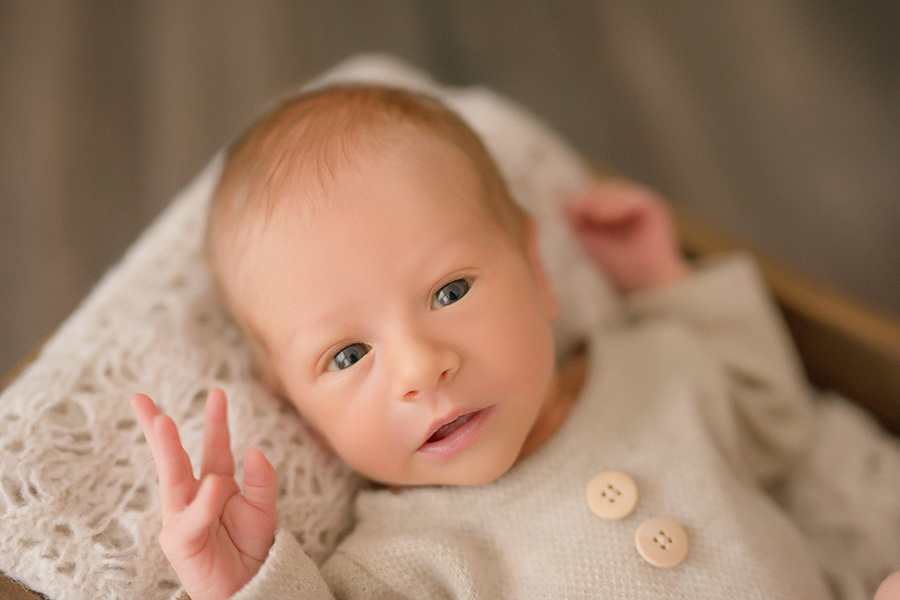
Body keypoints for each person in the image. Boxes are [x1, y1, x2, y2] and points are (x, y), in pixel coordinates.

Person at [130, 84, 892, 599]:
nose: (423, 368)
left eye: (451, 292)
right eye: (347, 356)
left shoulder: (654, 366)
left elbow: (774, 419)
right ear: (294, 406)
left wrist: (663, 280)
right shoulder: (403, 560)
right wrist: (244, 584)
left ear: (536, 270)